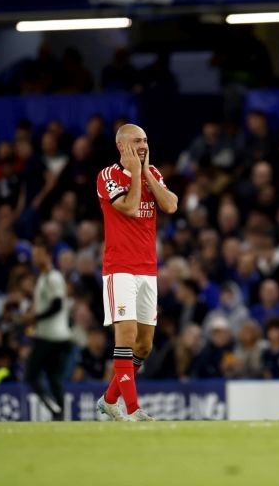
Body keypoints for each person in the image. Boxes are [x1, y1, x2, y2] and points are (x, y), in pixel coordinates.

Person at [95, 124, 178, 421]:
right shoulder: (108, 176)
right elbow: (130, 208)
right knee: (126, 336)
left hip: (147, 269)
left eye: (145, 140)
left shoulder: (152, 173)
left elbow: (170, 204)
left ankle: (108, 399)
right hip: (120, 269)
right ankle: (133, 410)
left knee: (144, 344)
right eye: (136, 141)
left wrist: (143, 174)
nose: (143, 145)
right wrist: (133, 174)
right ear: (121, 146)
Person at [24, 238, 73, 420]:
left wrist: (34, 317)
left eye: (39, 255)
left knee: (31, 375)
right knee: (53, 378)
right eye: (34, 255)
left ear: (48, 255)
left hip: (50, 337)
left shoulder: (54, 277)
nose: (35, 259)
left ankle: (55, 409)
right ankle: (59, 415)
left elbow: (57, 305)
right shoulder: (43, 278)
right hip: (52, 336)